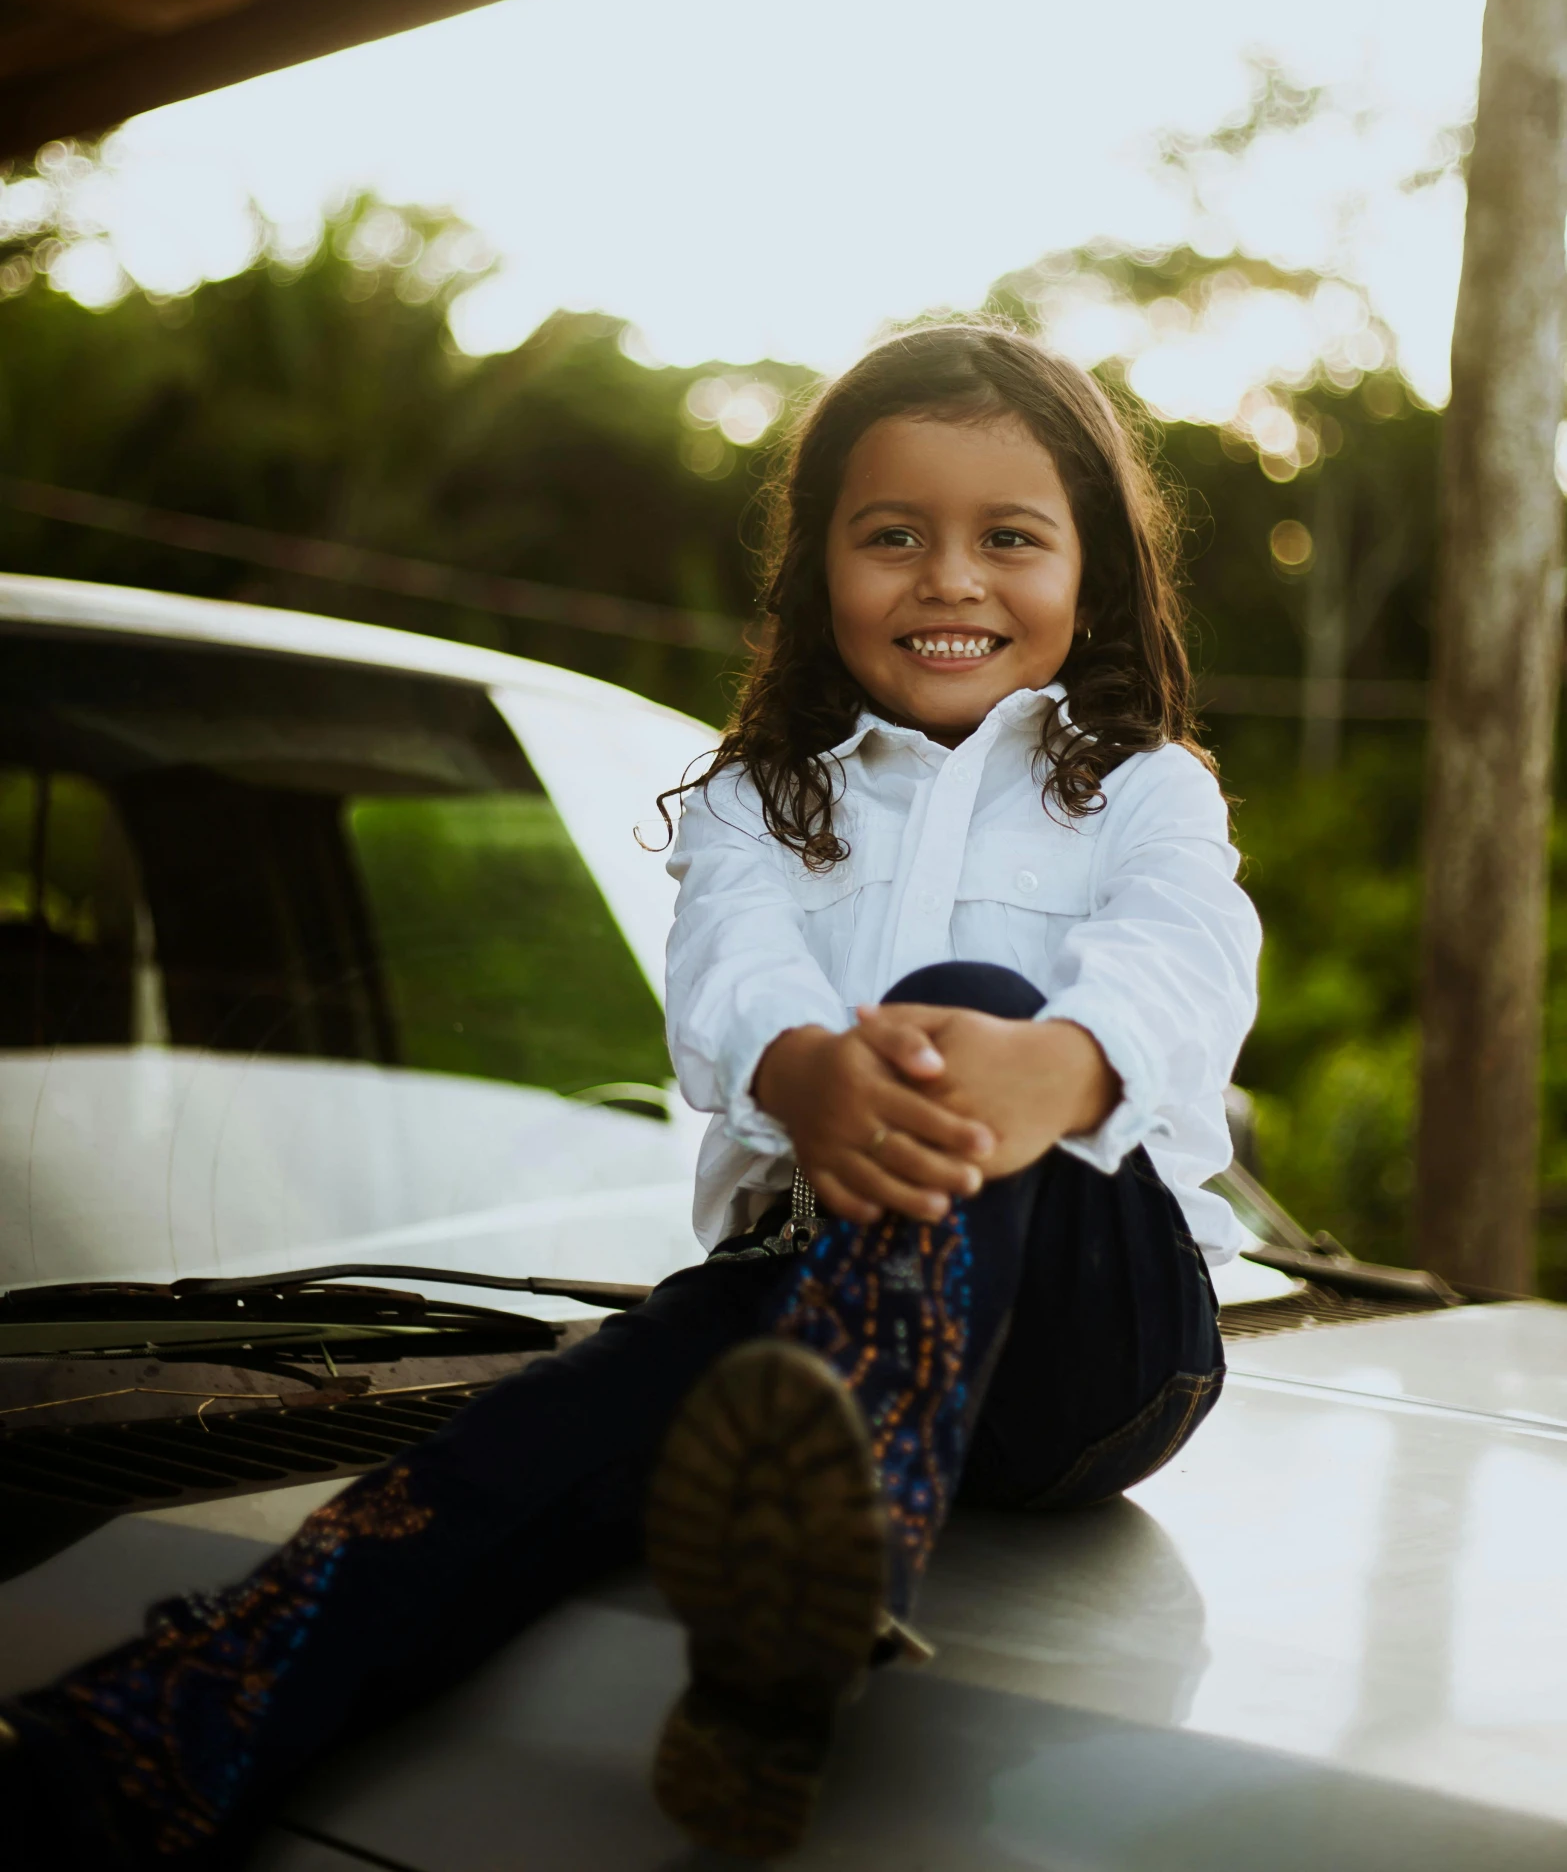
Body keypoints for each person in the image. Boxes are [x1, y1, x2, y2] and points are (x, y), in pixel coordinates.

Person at [0, 324, 1259, 1866]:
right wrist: (801, 1071)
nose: (948, 578)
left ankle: (822, 1551)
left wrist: (1046, 1066)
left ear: (1092, 575)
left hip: (1094, 1343)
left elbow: (1188, 955)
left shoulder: (1138, 788)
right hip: (799, 1292)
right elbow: (727, 972)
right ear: (818, 573)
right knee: (486, 1466)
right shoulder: (758, 797)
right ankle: (128, 1752)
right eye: (892, 536)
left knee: (967, 1014)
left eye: (1008, 537)